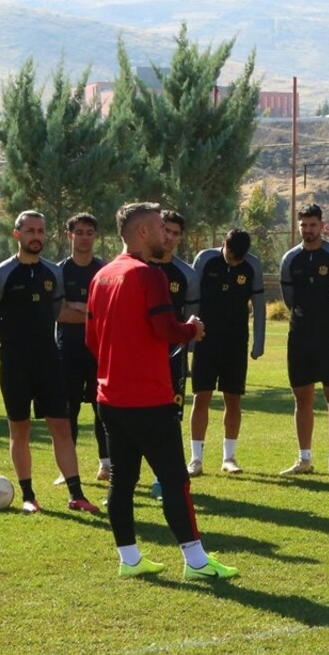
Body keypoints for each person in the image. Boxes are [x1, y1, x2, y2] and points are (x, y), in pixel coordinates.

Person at [84, 202, 236, 581]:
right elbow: (165, 330)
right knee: (175, 481)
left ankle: (130, 558)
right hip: (148, 398)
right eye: (159, 228)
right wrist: (191, 329)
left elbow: (90, 338)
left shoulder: (101, 276)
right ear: (141, 233)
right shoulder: (147, 275)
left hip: (109, 398)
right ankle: (197, 562)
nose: (166, 236)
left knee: (123, 481)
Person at [0, 210, 99, 515]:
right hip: (14, 364)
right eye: (30, 231)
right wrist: (16, 339)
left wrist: (93, 317)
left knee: (61, 425)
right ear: (16, 234)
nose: (36, 236)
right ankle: (28, 496)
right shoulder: (1, 274)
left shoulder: (52, 273)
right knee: (20, 430)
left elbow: (57, 310)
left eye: (41, 231)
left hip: (49, 361)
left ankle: (76, 494)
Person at [279, 203, 329, 476]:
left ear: (322, 225)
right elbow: (290, 300)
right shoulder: (290, 259)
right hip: (300, 336)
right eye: (303, 225)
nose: (308, 230)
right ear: (298, 226)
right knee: (302, 398)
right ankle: (304, 459)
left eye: (312, 225)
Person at [188, 229, 266, 475]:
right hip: (205, 340)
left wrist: (259, 342)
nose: (234, 262)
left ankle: (229, 457)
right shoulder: (205, 260)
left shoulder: (252, 266)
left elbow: (260, 306)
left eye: (239, 259)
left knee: (233, 399)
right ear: (223, 244)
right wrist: (188, 335)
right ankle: (195, 459)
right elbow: (191, 299)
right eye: (231, 257)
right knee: (202, 397)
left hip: (236, 342)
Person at [145, 209, 198, 499]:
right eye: (165, 230)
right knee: (133, 418)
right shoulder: (138, 267)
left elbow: (189, 322)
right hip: (138, 357)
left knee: (169, 419)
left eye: (176, 233)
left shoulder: (186, 274)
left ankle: (163, 480)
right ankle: (125, 481)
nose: (169, 238)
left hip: (172, 357)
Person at [54, 212, 110, 485]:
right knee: (68, 411)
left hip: (100, 351)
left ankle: (106, 464)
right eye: (79, 232)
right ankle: (68, 468)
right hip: (67, 351)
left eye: (89, 232)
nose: (84, 237)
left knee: (103, 409)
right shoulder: (58, 271)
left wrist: (76, 306)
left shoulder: (105, 271)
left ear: (95, 237)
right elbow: (58, 313)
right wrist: (90, 311)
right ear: (69, 235)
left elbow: (108, 313)